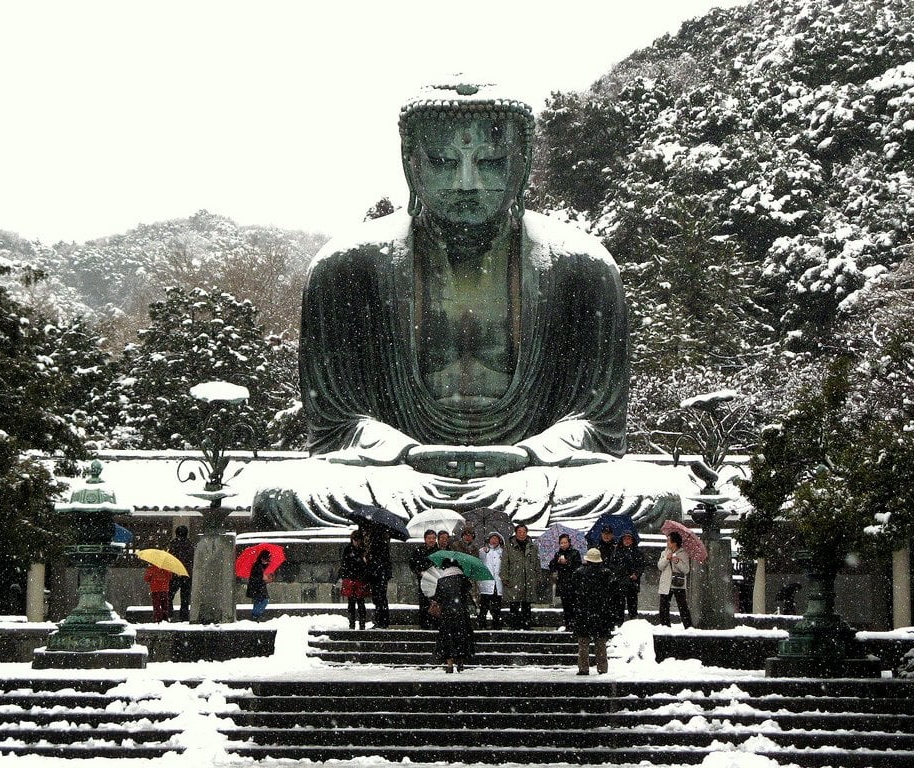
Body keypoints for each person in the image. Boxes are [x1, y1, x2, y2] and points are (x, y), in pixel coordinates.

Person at [252, 80, 679, 532]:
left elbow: (597, 425)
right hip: (397, 473)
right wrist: (408, 454)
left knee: (651, 498)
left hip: (532, 473)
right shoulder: (349, 266)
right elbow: (337, 425)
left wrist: (527, 455)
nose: (467, 183)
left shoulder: (582, 266)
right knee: (285, 497)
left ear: (523, 164)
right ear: (410, 163)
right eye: (443, 162)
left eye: (491, 162)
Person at [571, 548, 616, 675]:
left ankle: (583, 668)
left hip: (583, 611)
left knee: (583, 643)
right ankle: (602, 668)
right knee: (600, 642)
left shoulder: (579, 573)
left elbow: (574, 589)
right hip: (601, 612)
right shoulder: (607, 573)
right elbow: (612, 591)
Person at [431, 558, 476, 673]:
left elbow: (438, 598)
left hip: (447, 614)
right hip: (461, 613)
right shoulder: (463, 580)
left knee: (448, 638)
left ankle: (449, 664)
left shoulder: (441, 581)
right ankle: (460, 660)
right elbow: (467, 594)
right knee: (461, 637)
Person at [501, 523, 540, 629]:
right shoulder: (509, 546)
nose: (522, 534)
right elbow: (504, 563)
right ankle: (514, 626)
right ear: (516, 533)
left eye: (524, 532)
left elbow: (537, 563)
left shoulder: (532, 546)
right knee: (514, 604)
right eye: (519, 532)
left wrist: (537, 577)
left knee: (527, 605)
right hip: (514, 579)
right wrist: (504, 577)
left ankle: (526, 625)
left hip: (529, 579)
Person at [658, 531, 692, 628]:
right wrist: (666, 559)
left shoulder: (683, 553)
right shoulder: (664, 552)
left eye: (668, 540)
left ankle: (688, 626)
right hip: (666, 583)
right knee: (663, 607)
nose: (667, 543)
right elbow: (660, 566)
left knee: (683, 607)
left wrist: (677, 561)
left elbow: (686, 570)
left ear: (674, 542)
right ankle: (665, 626)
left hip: (678, 583)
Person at [548, 534, 582, 630]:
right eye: (561, 543)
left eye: (565, 542)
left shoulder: (575, 553)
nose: (563, 545)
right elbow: (552, 567)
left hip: (573, 583)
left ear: (569, 542)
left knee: (575, 606)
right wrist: (556, 562)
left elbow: (578, 567)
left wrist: (567, 562)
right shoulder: (558, 554)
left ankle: (575, 625)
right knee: (566, 606)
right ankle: (568, 625)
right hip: (563, 583)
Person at [338, 530, 371, 630]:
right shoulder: (348, 549)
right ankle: (352, 623)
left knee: (360, 603)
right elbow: (344, 564)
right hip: (351, 578)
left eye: (358, 540)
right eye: (355, 540)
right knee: (351, 603)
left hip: (359, 579)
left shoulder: (363, 550)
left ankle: (362, 623)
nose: (356, 542)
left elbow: (365, 566)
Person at [409, 529, 441, 629]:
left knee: (436, 602)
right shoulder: (419, 551)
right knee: (423, 602)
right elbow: (412, 564)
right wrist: (419, 571)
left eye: (433, 538)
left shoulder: (439, 551)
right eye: (429, 538)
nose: (431, 540)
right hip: (423, 580)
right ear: (425, 539)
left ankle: (436, 624)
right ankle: (424, 625)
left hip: (436, 581)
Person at [612, 531, 646, 622]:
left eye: (629, 539)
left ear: (632, 540)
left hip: (632, 582)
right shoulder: (617, 551)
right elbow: (613, 565)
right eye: (625, 539)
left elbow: (641, 566)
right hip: (620, 581)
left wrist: (636, 574)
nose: (627, 541)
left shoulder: (637, 552)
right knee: (619, 606)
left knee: (632, 605)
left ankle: (633, 622)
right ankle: (619, 623)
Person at [364, 526, 392, 628]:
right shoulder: (381, 541)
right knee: (380, 598)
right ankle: (382, 620)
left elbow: (378, 559)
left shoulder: (377, 541)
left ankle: (381, 621)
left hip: (378, 574)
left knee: (379, 598)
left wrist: (369, 558)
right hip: (379, 574)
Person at [166, 525, 194, 622]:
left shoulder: (173, 544)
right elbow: (193, 558)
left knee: (169, 595)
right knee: (185, 597)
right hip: (187, 573)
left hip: (175, 573)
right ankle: (184, 617)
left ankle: (169, 613)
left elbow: (169, 558)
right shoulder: (190, 544)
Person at [477, 531, 505, 629]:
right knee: (484, 606)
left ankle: (496, 625)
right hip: (486, 583)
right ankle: (482, 624)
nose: (494, 541)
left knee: (496, 607)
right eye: (492, 538)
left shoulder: (502, 552)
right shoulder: (483, 551)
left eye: (496, 539)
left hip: (498, 583)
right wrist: (484, 552)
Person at [247, 549, 273, 622]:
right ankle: (255, 616)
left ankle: (255, 617)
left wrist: (265, 578)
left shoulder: (260, 565)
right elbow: (255, 578)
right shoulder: (257, 566)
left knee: (258, 602)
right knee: (264, 601)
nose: (268, 561)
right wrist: (263, 578)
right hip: (257, 588)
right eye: (267, 559)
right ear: (262, 558)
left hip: (256, 588)